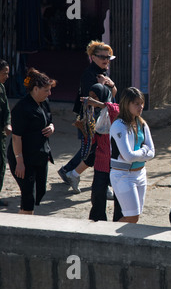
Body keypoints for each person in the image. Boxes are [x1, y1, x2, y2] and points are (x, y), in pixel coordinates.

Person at [58, 40, 117, 193]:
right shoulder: (89, 75)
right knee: (92, 148)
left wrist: (110, 85)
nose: (106, 60)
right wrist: (104, 86)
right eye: (102, 57)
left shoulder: (102, 73)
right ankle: (72, 172)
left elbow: (112, 95)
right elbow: (90, 100)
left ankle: (70, 171)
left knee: (93, 148)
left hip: (103, 117)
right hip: (91, 118)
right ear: (93, 57)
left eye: (108, 57)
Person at [7, 68, 56, 215]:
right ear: (35, 89)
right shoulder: (21, 108)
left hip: (39, 155)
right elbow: (16, 137)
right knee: (28, 195)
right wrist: (19, 162)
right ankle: (23, 228)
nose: (49, 93)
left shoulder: (44, 102)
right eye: (46, 90)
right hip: (24, 157)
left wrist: (52, 127)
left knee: (38, 191)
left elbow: (50, 120)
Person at [110, 87, 155, 223]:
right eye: (136, 103)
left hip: (141, 174)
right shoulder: (119, 125)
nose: (140, 106)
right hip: (123, 175)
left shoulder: (142, 123)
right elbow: (128, 156)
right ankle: (106, 236)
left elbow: (152, 152)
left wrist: (141, 152)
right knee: (132, 217)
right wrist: (144, 151)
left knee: (135, 216)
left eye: (141, 103)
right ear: (126, 104)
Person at [80, 84, 119, 221]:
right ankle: (98, 221)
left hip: (116, 162)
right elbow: (91, 139)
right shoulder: (92, 113)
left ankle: (118, 221)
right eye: (90, 96)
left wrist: (99, 104)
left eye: (95, 97)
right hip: (101, 161)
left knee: (119, 196)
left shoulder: (112, 110)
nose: (91, 99)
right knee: (97, 194)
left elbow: (116, 110)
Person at [0, 60, 12, 207]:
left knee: (2, 164)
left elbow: (6, 109)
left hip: (1, 135)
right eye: (4, 73)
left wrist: (7, 123)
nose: (7, 76)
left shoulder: (1, 88)